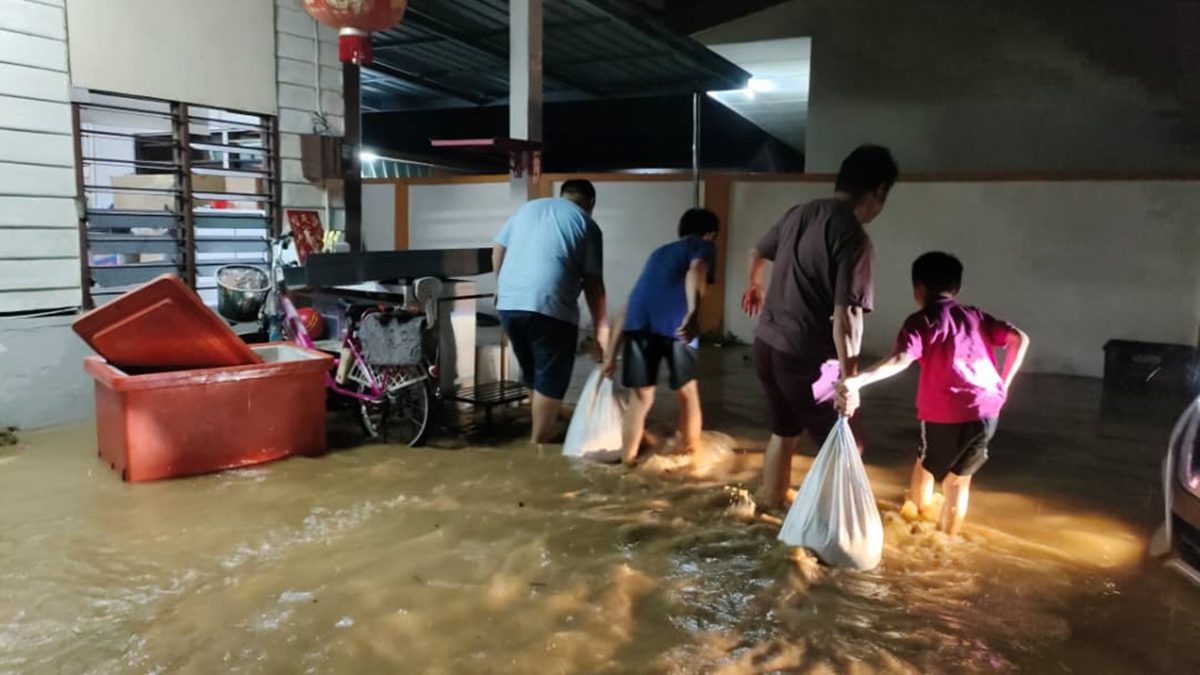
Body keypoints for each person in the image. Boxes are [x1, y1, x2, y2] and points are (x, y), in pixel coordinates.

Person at [742, 145, 898, 510]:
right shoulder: (853, 238)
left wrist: (755, 284)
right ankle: (826, 533)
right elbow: (847, 317)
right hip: (804, 358)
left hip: (766, 346)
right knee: (848, 445)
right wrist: (850, 380)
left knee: (783, 433)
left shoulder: (799, 213)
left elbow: (758, 251)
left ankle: (771, 505)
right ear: (878, 191)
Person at [836, 252, 1031, 535]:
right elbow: (1019, 338)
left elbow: (901, 359)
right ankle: (949, 539)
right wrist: (1005, 382)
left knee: (926, 465)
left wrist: (857, 381)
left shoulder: (922, 321)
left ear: (919, 289)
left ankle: (915, 524)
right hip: (988, 410)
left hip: (945, 412)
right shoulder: (975, 315)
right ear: (957, 288)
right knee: (959, 481)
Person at [493, 180, 609, 443]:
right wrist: (602, 330)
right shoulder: (587, 224)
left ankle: (544, 420)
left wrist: (500, 284)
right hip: (550, 308)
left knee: (532, 371)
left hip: (510, 305)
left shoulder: (528, 209)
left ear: (562, 195)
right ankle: (540, 438)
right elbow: (593, 284)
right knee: (551, 376)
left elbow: (498, 248)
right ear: (591, 204)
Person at [603, 208, 719, 466]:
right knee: (687, 392)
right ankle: (690, 458)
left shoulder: (659, 254)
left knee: (641, 397)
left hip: (637, 324)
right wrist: (692, 311)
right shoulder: (704, 246)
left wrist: (611, 355)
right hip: (677, 325)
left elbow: (630, 304)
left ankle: (627, 462)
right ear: (711, 234)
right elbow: (696, 270)